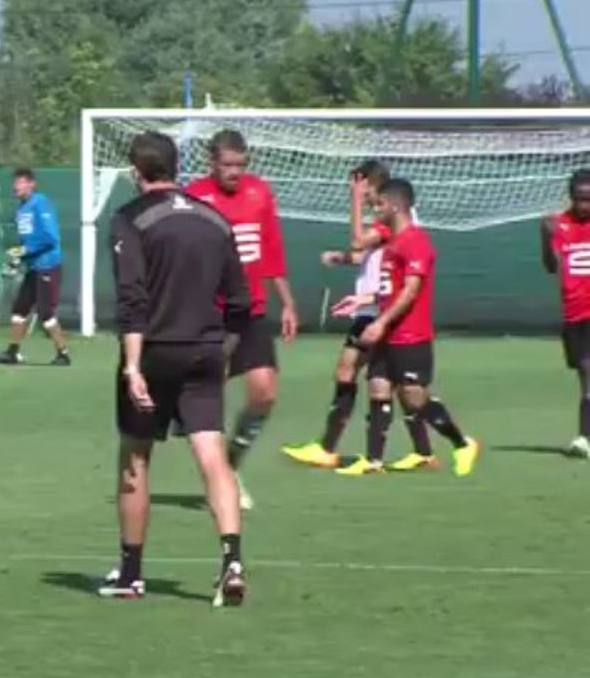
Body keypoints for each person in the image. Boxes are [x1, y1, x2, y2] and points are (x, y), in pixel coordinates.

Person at [99, 131, 250, 607]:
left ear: (135, 172)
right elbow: (241, 301)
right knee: (213, 456)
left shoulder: (130, 219)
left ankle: (131, 574)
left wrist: (133, 367)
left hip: (155, 353)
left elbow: (133, 301)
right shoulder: (214, 219)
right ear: (177, 168)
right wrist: (222, 352)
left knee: (135, 457)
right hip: (206, 351)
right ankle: (232, 561)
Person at [282, 160, 434, 471]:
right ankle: (424, 451)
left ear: (371, 185)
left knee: (354, 371)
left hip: (379, 310)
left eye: (360, 188)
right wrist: (341, 259)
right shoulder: (388, 221)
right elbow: (364, 254)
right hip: (373, 306)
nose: (359, 196)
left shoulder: (391, 219)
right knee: (395, 385)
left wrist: (354, 202)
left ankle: (329, 448)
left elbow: (358, 241)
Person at [330, 179, 481, 476]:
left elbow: (411, 291)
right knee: (378, 386)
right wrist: (363, 300)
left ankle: (462, 444)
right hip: (387, 333)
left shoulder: (416, 242)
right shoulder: (392, 245)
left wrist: (380, 322)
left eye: (380, 205)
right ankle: (373, 461)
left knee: (414, 397)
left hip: (411, 335)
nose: (376, 210)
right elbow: (392, 289)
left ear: (396, 206)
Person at [184, 130, 298, 510]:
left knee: (265, 392)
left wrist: (287, 303)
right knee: (208, 399)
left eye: (240, 165)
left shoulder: (259, 193)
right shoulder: (194, 198)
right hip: (209, 312)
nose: (235, 172)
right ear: (212, 163)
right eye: (227, 165)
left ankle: (230, 465)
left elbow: (272, 250)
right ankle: (217, 478)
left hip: (251, 310)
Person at [0, 168, 72, 366]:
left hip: (48, 266)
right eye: (15, 182)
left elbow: (50, 238)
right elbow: (28, 241)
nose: (16, 187)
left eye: (21, 182)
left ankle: (63, 353)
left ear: (31, 184)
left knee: (46, 312)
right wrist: (19, 257)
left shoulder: (40, 203)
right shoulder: (21, 210)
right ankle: (12, 352)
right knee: (20, 308)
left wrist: (25, 250)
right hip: (34, 268)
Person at [540, 168, 590, 457]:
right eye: (580, 199)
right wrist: (546, 238)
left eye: (589, 199)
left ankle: (584, 437)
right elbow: (551, 266)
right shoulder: (559, 225)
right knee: (584, 374)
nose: (585, 205)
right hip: (574, 312)